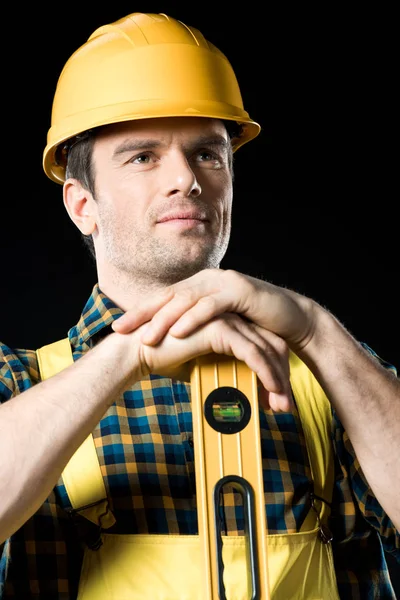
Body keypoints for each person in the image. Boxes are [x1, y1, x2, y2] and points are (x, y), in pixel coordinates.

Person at [0, 10, 399, 600]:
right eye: (142, 157)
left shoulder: (332, 374)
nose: (186, 179)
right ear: (82, 205)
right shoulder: (21, 383)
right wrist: (129, 354)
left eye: (208, 154)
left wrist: (315, 331)